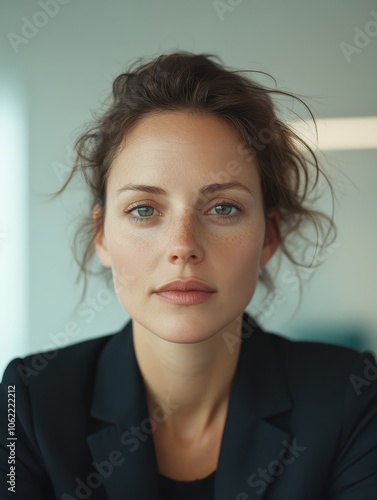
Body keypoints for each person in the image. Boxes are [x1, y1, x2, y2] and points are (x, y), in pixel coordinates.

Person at [1, 51, 377, 500]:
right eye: (144, 210)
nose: (183, 246)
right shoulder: (28, 399)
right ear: (102, 235)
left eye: (223, 208)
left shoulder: (352, 395)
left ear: (269, 236)